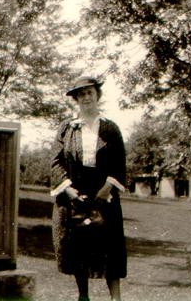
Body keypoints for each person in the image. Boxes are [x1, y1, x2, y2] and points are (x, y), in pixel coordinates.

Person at [49, 75, 127, 301]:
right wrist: (68, 188)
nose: (86, 98)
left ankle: (116, 298)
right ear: (76, 99)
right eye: (81, 94)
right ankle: (83, 296)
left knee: (110, 246)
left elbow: (119, 162)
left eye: (89, 93)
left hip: (104, 191)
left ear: (97, 95)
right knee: (77, 246)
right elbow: (55, 160)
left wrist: (107, 188)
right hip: (76, 191)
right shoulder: (66, 128)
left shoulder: (110, 128)